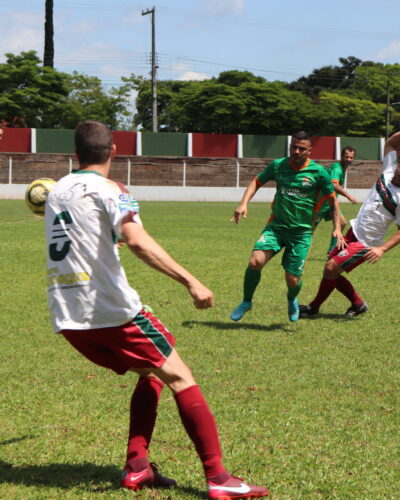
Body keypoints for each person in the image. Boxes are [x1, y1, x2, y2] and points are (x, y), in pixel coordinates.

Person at [44, 120, 269, 499]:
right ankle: (219, 479)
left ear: (75, 154)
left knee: (151, 372)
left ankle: (137, 467)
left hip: (67, 315)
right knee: (180, 376)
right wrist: (191, 281)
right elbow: (137, 240)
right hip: (112, 311)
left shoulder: (57, 189)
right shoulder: (115, 189)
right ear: (114, 152)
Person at [230, 131, 344, 323]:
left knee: (292, 279)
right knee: (255, 261)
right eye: (294, 147)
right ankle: (246, 301)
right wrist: (243, 203)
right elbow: (256, 182)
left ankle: (292, 299)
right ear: (290, 146)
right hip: (276, 227)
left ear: (309, 150)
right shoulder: (278, 165)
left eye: (301, 148)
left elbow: (333, 202)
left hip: (301, 233)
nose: (297, 151)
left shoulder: (318, 173)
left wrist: (337, 229)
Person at [300, 131, 400, 318]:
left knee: (331, 268)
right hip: (354, 230)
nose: (398, 167)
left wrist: (382, 249)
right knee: (331, 270)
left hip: (366, 243)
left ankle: (313, 308)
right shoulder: (388, 172)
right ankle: (358, 303)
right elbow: (392, 143)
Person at [314, 146, 357, 254]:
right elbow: (334, 185)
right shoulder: (337, 168)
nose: (349, 159)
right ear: (342, 156)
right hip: (321, 203)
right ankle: (298, 251)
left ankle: (332, 251)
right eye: (346, 157)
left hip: (331, 204)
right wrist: (348, 195)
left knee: (341, 223)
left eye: (351, 157)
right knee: (309, 230)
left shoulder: (342, 168)